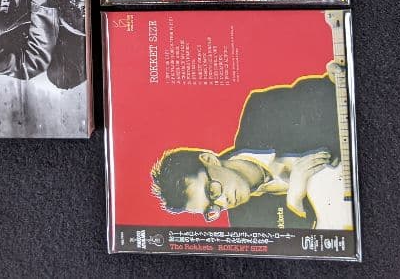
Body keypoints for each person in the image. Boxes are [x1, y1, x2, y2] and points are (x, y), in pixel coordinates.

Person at [149, 69, 350, 229]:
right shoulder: (246, 224)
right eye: (212, 208)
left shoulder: (261, 111)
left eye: (212, 191)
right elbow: (304, 249)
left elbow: (327, 91)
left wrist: (337, 78)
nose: (224, 202)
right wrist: (295, 202)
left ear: (209, 160)